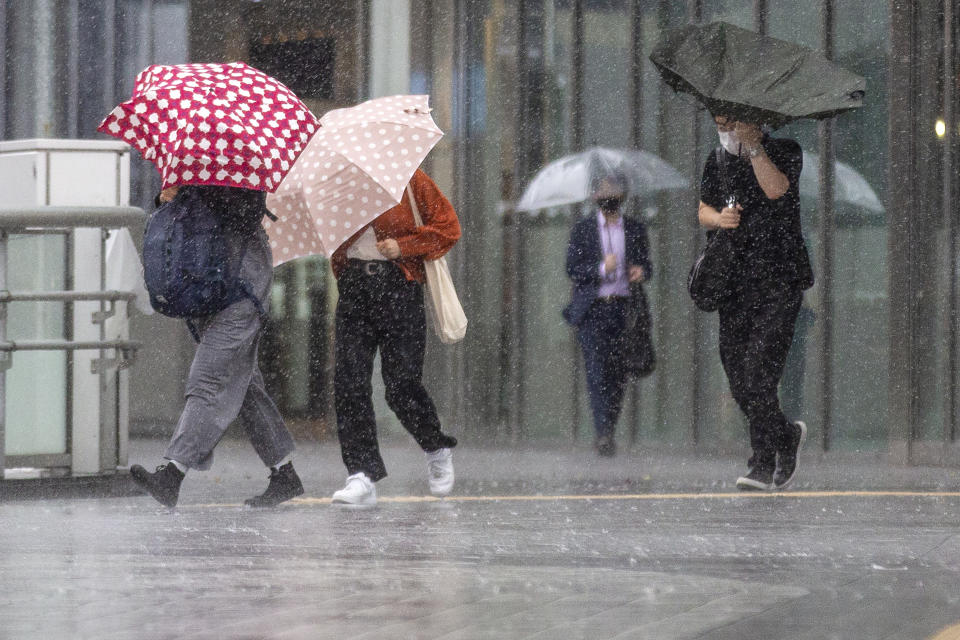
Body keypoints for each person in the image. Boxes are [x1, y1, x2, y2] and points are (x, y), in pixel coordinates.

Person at [130, 185, 303, 508]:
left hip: (241, 291)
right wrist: (166, 197)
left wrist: (193, 193)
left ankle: (172, 474)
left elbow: (245, 215)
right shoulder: (194, 163)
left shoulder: (241, 169)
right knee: (246, 387)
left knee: (207, 380)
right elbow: (176, 217)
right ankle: (284, 473)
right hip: (208, 289)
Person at [329, 169, 461, 506]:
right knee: (350, 383)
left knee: (401, 384)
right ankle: (361, 473)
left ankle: (435, 445)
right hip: (355, 289)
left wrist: (403, 246)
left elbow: (448, 229)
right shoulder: (341, 184)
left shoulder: (410, 179)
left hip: (398, 288)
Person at [698, 114, 814, 491]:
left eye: (731, 119)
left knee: (759, 377)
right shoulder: (717, 159)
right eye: (719, 120)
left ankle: (761, 463)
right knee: (738, 381)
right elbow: (703, 210)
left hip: (779, 282)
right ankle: (785, 436)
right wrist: (721, 218)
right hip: (735, 284)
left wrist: (756, 148)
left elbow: (776, 189)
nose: (725, 127)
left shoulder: (785, 151)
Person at [563, 172, 652, 457]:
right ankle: (603, 433)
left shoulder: (635, 228)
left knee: (619, 373)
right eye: (603, 191)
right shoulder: (583, 229)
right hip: (594, 310)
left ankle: (608, 427)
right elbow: (572, 269)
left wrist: (641, 271)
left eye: (613, 191)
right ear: (594, 197)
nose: (608, 197)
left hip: (625, 310)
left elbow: (647, 265)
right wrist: (602, 268)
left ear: (623, 196)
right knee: (596, 372)